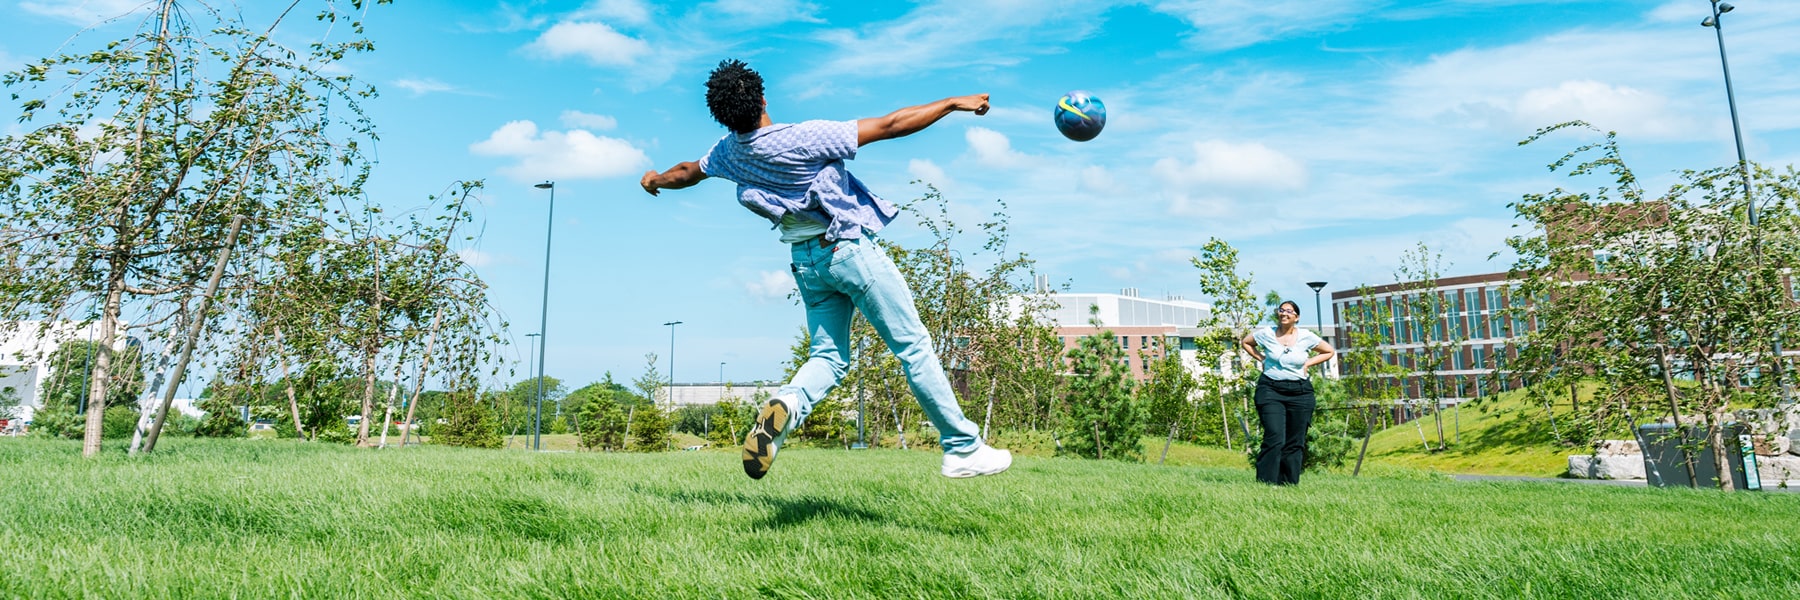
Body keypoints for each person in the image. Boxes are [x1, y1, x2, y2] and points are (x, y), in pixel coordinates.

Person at [639, 59, 1012, 480]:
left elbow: (690, 172)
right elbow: (890, 125)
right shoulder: (804, 138)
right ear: (763, 99)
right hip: (848, 252)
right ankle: (963, 447)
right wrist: (950, 103)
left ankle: (789, 403)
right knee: (914, 347)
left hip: (806, 263)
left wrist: (654, 180)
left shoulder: (729, 152)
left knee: (829, 357)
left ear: (724, 116)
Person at [1240, 300, 1336, 485]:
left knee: (1295, 440)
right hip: (1270, 390)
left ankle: (1288, 484)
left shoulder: (1306, 336)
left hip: (1300, 392)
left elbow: (1328, 351)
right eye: (1281, 310)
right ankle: (1266, 483)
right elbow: (1246, 342)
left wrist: (1308, 363)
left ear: (1296, 317)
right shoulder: (1266, 333)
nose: (1284, 313)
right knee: (1274, 437)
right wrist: (1261, 358)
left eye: (1289, 311)